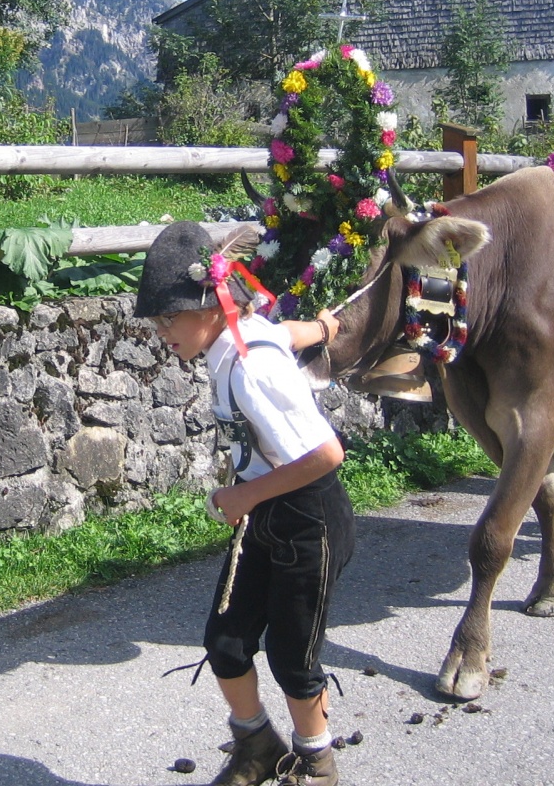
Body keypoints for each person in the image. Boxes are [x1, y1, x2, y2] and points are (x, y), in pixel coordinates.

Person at [135, 220, 355, 786]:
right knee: (226, 642)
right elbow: (289, 334)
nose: (161, 331)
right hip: (264, 513)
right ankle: (257, 747)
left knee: (292, 657)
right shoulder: (241, 338)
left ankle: (317, 764)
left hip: (309, 518)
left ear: (213, 305)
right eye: (156, 321)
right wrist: (324, 327)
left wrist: (242, 494)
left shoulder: (251, 367)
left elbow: (326, 454)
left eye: (169, 317)